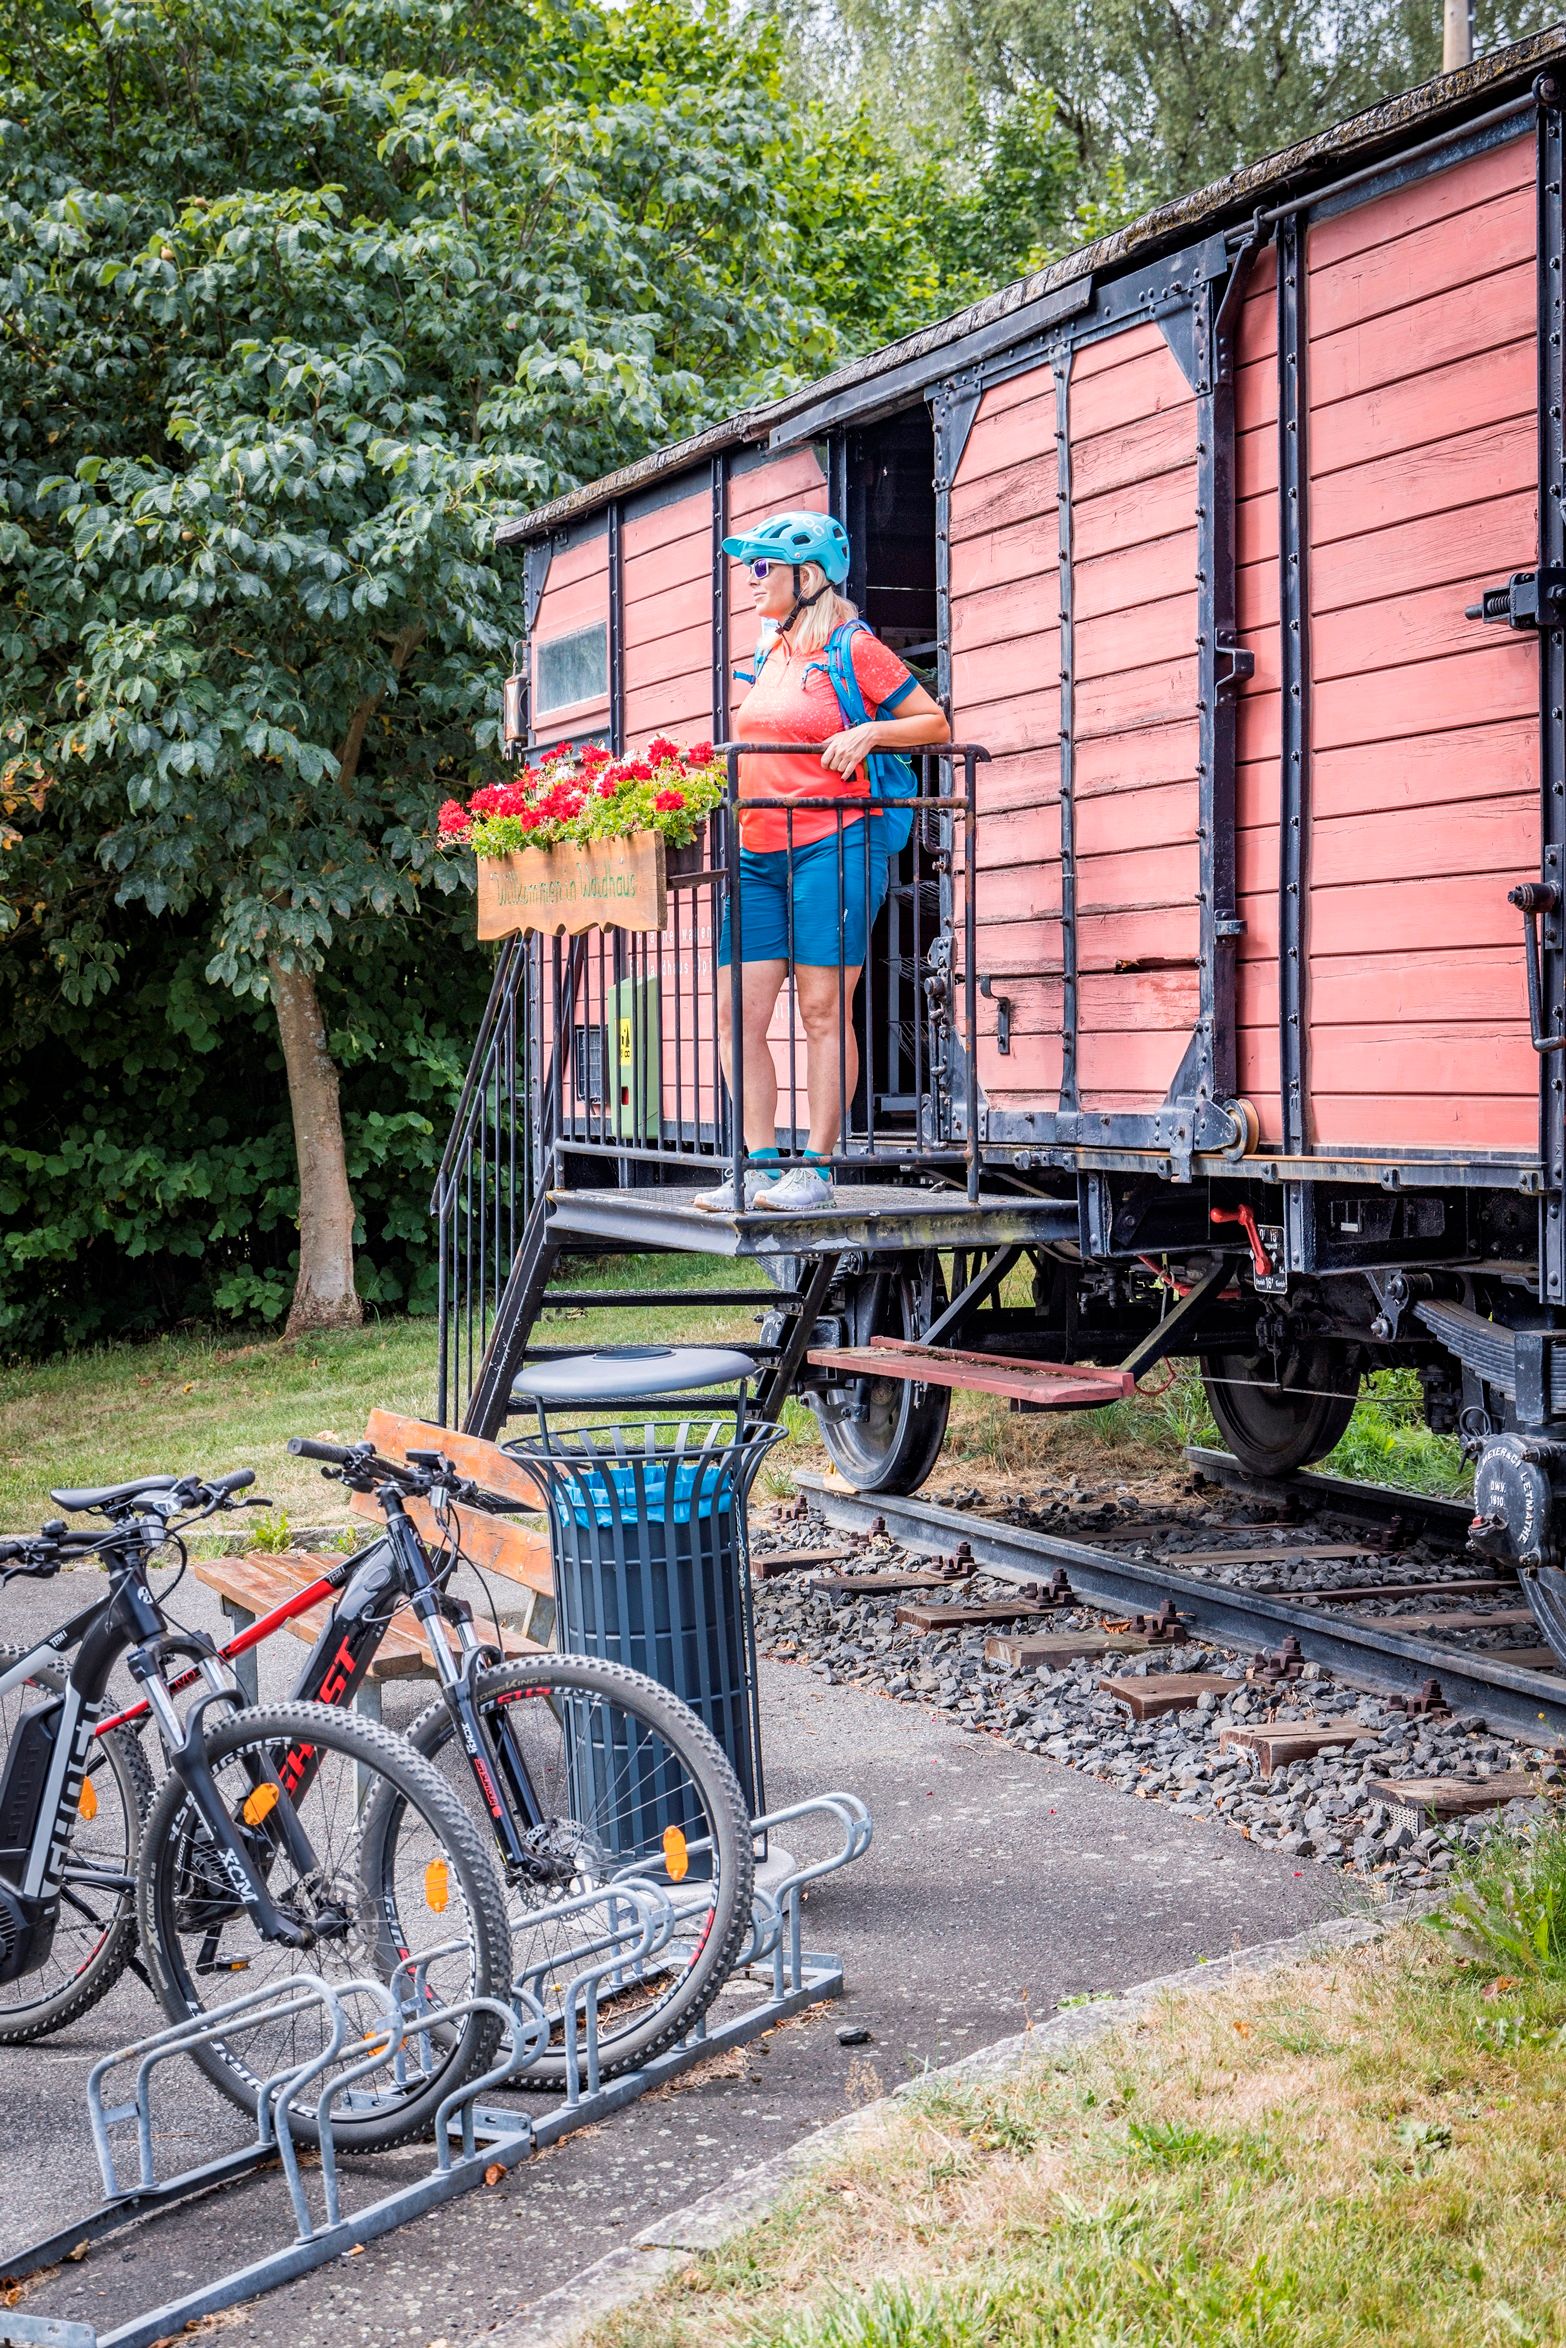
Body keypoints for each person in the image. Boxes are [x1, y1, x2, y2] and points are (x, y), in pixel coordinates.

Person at [694, 509, 950, 1214]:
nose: (749, 581)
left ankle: (816, 1168)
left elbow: (934, 723)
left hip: (834, 845)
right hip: (755, 850)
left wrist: (870, 731)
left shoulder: (853, 646)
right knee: (734, 1014)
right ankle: (756, 1167)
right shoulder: (766, 653)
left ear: (806, 577)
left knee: (821, 1007)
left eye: (760, 568)